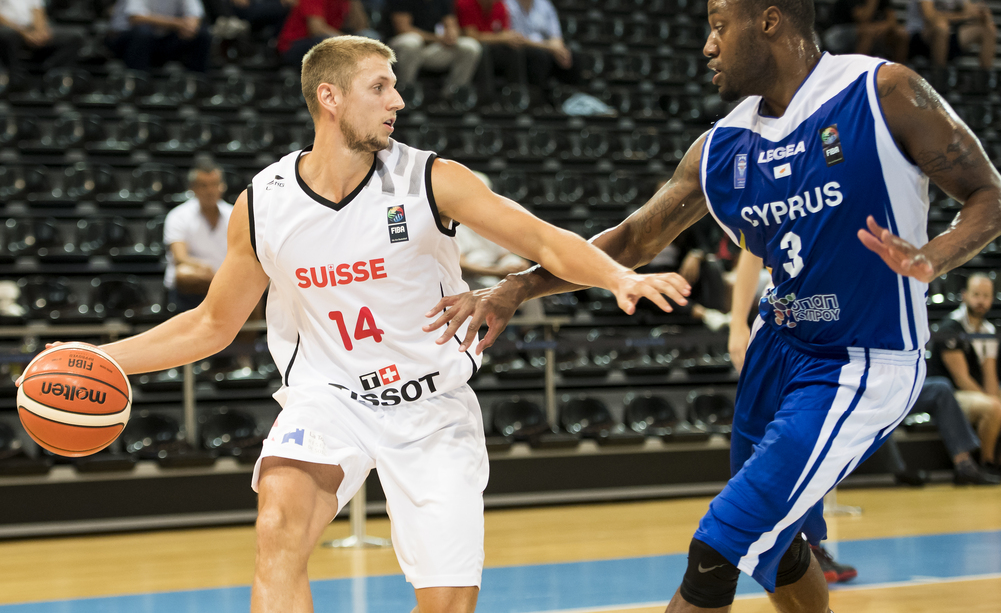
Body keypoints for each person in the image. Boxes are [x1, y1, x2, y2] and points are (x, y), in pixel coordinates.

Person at [426, 0, 1001, 613]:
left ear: (769, 22)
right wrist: (517, 287)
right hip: (776, 349)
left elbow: (995, 199)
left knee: (718, 546)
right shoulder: (724, 146)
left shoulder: (882, 92)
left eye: (717, 26)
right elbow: (632, 240)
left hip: (859, 358)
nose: (707, 45)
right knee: (773, 546)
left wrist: (933, 257)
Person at [58, 35, 685, 613]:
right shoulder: (264, 202)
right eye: (380, 87)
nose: (399, 100)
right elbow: (211, 324)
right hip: (327, 400)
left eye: (395, 86)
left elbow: (544, 240)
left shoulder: (433, 179)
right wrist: (102, 358)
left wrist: (617, 277)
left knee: (446, 605)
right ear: (328, 98)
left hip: (431, 405)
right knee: (277, 528)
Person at [731, 250, 1001, 487]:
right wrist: (737, 324)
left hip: (888, 365)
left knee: (917, 393)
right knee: (864, 403)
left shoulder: (889, 283)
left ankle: (967, 464)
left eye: (986, 296)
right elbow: (752, 252)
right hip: (825, 353)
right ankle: (899, 470)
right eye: (977, 294)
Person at [930, 274, 1001, 475]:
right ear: (964, 296)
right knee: (992, 408)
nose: (981, 301)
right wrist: (997, 406)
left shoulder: (988, 330)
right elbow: (962, 379)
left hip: (978, 391)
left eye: (986, 296)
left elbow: (990, 375)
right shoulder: (950, 328)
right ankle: (985, 463)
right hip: (953, 395)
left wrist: (1000, 403)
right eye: (976, 295)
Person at [387, 0, 481, 92]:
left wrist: (452, 34)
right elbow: (403, 29)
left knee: (470, 47)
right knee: (411, 42)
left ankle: (452, 95)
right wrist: (437, 39)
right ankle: (404, 94)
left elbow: (450, 21)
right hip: (400, 47)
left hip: (429, 48)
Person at [162, 158, 232, 312]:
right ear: (193, 188)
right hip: (192, 286)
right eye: (203, 185)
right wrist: (204, 267)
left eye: (214, 184)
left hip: (226, 284)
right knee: (184, 274)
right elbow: (180, 258)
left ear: (222, 186)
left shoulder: (234, 214)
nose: (210, 191)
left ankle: (249, 335)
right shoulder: (178, 216)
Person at [503, 0, 581, 90]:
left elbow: (555, 34)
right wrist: (549, 48)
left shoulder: (544, 4)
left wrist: (559, 50)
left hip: (546, 48)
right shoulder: (507, 4)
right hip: (522, 50)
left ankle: (571, 97)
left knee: (573, 56)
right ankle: (539, 99)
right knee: (539, 57)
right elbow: (516, 38)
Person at [455, 0, 526, 95]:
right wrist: (503, 38)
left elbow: (504, 32)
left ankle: (515, 95)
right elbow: (471, 36)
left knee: (514, 49)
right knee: (483, 49)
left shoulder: (500, 5)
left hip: (493, 47)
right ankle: (486, 97)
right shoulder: (465, 1)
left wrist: (512, 38)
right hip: (469, 48)